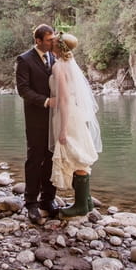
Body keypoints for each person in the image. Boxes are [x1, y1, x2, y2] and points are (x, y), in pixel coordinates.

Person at [48, 32, 102, 218]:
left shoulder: (58, 66)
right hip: (75, 113)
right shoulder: (69, 64)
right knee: (79, 154)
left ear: (57, 46)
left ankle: (80, 205)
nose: (50, 42)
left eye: (52, 41)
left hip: (67, 116)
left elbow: (63, 99)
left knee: (75, 154)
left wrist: (62, 129)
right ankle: (86, 202)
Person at [15, 24, 59, 224]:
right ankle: (31, 202)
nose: (53, 42)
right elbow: (23, 90)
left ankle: (48, 200)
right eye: (49, 39)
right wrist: (46, 101)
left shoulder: (54, 57)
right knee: (35, 159)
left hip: (55, 118)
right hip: (35, 117)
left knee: (52, 158)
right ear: (38, 41)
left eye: (53, 39)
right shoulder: (24, 60)